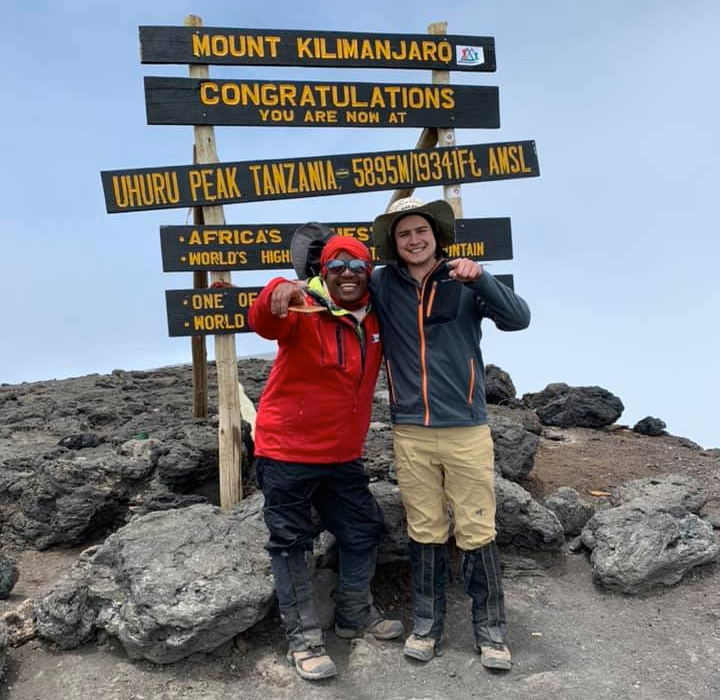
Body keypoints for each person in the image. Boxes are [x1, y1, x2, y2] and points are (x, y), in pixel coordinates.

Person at [370, 197, 531, 671]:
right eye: (403, 234)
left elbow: (518, 318)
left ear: (436, 234)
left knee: (477, 527)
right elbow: (335, 286)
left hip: (465, 427)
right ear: (394, 243)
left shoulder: (464, 279)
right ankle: (426, 626)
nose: (414, 240)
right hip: (410, 429)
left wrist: (481, 277)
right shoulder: (383, 282)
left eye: (421, 230)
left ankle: (492, 632)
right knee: (425, 529)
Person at [248, 231, 404, 681]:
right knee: (291, 542)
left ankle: (355, 614)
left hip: (341, 456)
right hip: (286, 453)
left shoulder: (376, 319)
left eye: (357, 266)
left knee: (363, 528)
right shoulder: (301, 308)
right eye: (337, 266)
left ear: (368, 271)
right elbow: (265, 322)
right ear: (323, 271)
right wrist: (277, 288)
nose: (348, 275)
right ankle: (304, 638)